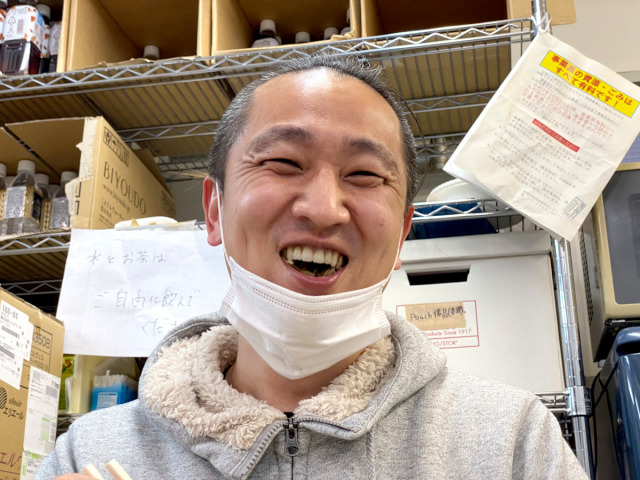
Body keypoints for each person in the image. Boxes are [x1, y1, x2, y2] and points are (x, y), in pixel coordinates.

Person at [37, 56, 588, 480]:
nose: (324, 209)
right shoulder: (92, 454)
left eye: (365, 175)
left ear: (402, 232)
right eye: (282, 162)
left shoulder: (512, 443)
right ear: (215, 210)